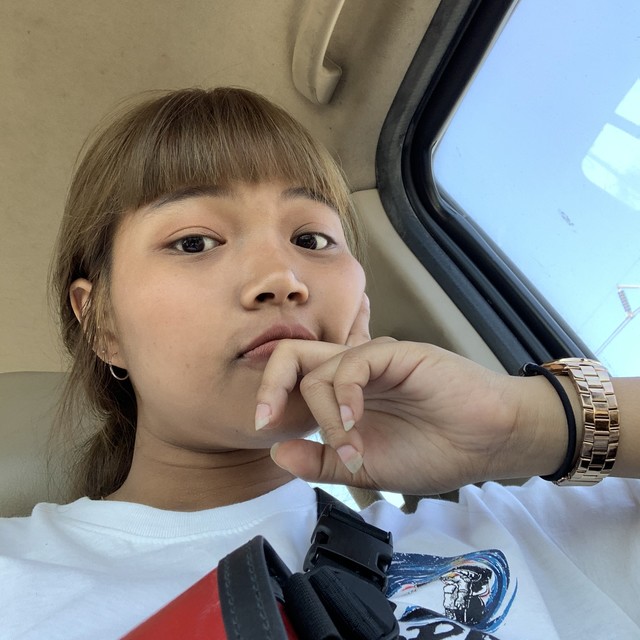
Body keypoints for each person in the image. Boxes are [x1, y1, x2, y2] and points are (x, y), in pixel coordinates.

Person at [0, 87, 638, 640]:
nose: (282, 277)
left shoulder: (526, 534)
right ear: (101, 321)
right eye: (194, 242)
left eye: (311, 238)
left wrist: (518, 424)